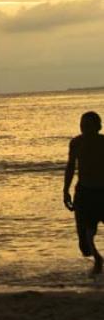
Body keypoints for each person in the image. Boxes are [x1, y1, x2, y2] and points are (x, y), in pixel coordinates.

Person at [64, 110, 104, 275]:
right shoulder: (76, 143)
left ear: (98, 126)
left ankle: (97, 264)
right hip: (84, 193)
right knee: (84, 247)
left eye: (88, 125)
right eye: (82, 125)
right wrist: (65, 190)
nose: (84, 128)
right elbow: (71, 167)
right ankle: (97, 258)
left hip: (103, 193)